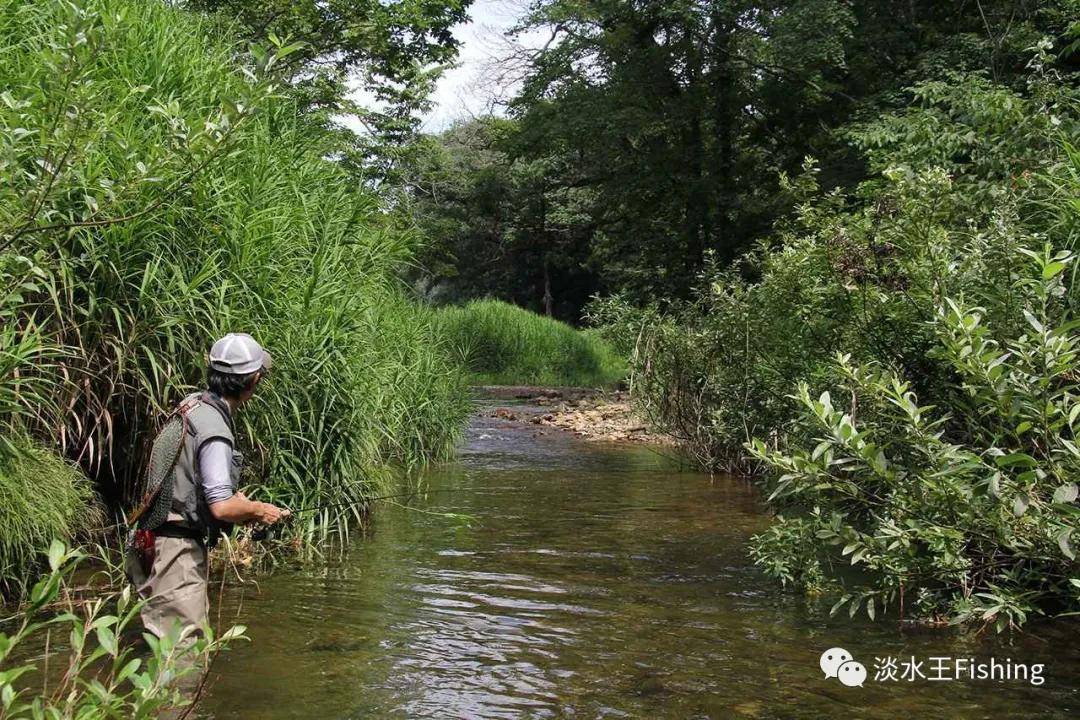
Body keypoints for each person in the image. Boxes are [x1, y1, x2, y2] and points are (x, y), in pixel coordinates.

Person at [128, 332, 289, 641]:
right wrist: (260, 509)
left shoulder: (192, 405)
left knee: (165, 650)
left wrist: (236, 501)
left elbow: (188, 480)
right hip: (176, 553)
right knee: (183, 657)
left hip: (151, 541)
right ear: (253, 381)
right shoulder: (215, 429)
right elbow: (221, 507)